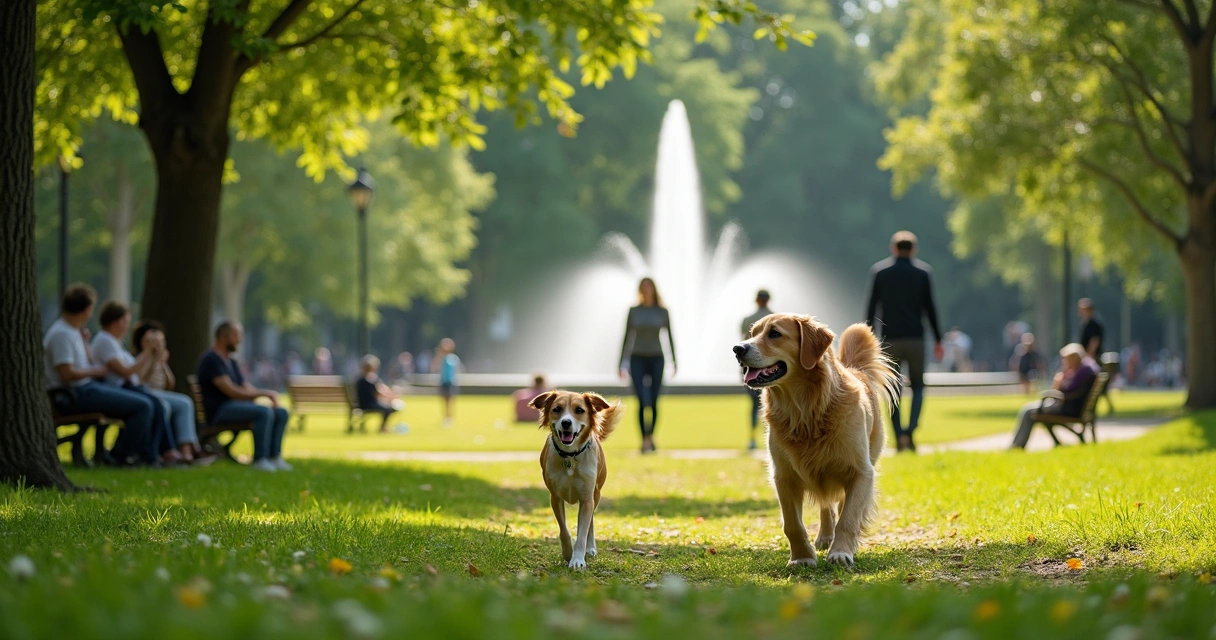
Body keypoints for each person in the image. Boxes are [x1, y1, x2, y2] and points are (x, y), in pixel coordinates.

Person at [42, 284, 158, 466]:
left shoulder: (72, 331)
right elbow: (66, 374)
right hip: (73, 394)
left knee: (146, 403)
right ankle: (121, 457)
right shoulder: (61, 334)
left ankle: (128, 455)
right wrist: (97, 371)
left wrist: (86, 344)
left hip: (86, 389)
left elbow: (81, 364)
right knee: (143, 406)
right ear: (87, 310)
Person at [865, 231, 944, 453]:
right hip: (916, 338)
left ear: (893, 248)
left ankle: (899, 434)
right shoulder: (923, 273)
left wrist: (868, 339)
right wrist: (938, 339)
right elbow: (931, 309)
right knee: (918, 386)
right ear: (914, 249)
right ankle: (911, 430)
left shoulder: (880, 273)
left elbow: (871, 310)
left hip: (890, 340)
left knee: (892, 390)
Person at [196, 321, 291, 472]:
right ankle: (260, 459)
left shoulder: (231, 361)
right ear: (223, 337)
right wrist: (264, 394)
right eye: (236, 335)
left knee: (281, 412)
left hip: (235, 407)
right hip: (219, 411)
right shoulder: (211, 360)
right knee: (263, 412)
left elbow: (245, 387)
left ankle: (274, 457)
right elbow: (232, 391)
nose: (240, 340)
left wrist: (265, 397)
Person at [131, 319, 214, 464]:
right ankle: (167, 451)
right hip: (146, 393)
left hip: (160, 393)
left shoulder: (159, 360)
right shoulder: (141, 359)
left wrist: (162, 363)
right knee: (165, 406)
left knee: (185, 402)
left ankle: (187, 450)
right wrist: (150, 357)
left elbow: (170, 384)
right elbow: (141, 380)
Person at [619, 277, 677, 454]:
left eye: (649, 286)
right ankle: (644, 440)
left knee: (653, 400)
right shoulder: (634, 310)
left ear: (653, 289)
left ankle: (651, 437)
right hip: (637, 358)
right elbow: (626, 337)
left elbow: (670, 336)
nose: (646, 290)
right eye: (643, 287)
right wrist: (621, 363)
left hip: (656, 358)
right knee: (642, 401)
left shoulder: (662, 311)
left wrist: (674, 360)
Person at [1010, 344, 1099, 449]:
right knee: (1029, 409)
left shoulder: (1081, 373)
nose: (1064, 363)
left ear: (1073, 359)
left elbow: (1066, 390)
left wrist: (1059, 382)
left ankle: (1018, 446)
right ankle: (1019, 444)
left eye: (1066, 360)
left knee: (1028, 411)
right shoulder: (1083, 370)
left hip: (1067, 408)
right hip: (1069, 406)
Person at [740, 289, 774, 450]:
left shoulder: (748, 320)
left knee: (755, 404)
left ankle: (753, 438)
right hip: (771, 367)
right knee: (773, 404)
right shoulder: (775, 318)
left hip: (751, 367)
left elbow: (744, 344)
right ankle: (768, 437)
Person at [355, 355, 405, 433]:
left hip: (362, 404)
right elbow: (377, 392)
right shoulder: (369, 380)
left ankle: (383, 428)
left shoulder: (360, 380)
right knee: (388, 408)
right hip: (369, 405)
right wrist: (391, 397)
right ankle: (382, 428)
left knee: (388, 407)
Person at [435, 338, 460, 428]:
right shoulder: (441, 358)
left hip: (451, 382)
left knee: (450, 400)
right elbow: (435, 367)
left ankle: (450, 417)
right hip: (443, 382)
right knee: (444, 401)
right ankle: (445, 417)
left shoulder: (452, 358)